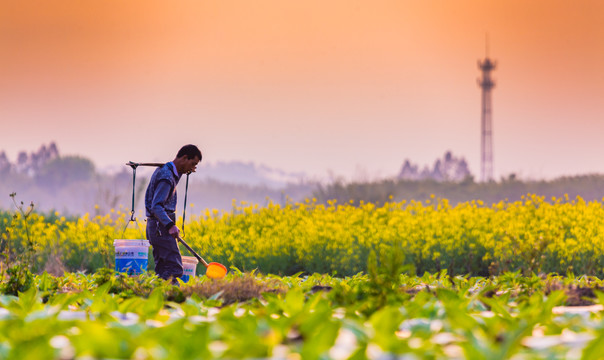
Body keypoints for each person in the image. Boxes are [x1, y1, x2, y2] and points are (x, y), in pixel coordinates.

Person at [145, 144, 202, 282]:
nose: (192, 169)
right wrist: (170, 225)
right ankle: (171, 297)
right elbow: (156, 206)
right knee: (174, 267)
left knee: (163, 268)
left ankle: (158, 297)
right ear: (184, 158)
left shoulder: (170, 172)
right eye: (192, 164)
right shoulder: (166, 177)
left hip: (156, 227)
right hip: (161, 228)